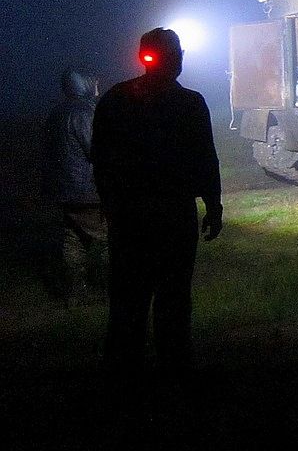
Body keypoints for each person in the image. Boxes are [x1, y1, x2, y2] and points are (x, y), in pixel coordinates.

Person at [92, 28, 223, 374]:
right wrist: (213, 205)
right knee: (173, 295)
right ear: (176, 58)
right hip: (174, 214)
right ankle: (173, 367)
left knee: (128, 298)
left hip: (129, 216)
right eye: (177, 52)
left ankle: (123, 369)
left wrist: (110, 204)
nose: (179, 58)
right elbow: (205, 159)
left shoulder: (115, 100)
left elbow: (101, 160)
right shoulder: (190, 103)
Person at [41, 69, 107, 305]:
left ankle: (76, 293)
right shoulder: (84, 113)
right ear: (84, 84)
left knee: (74, 238)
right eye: (93, 81)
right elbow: (96, 150)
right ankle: (114, 290)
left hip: (65, 190)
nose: (97, 85)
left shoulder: (56, 113)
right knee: (112, 237)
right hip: (88, 191)